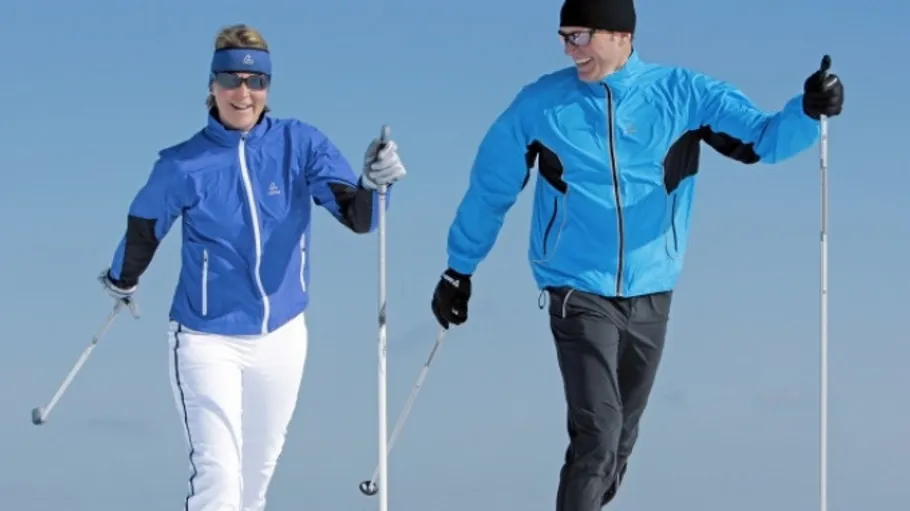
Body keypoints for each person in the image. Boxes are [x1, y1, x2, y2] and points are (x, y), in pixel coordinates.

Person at [428, 0, 844, 510]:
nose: (569, 48)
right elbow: (491, 186)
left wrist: (807, 110)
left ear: (620, 35)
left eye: (580, 35)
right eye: (564, 36)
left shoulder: (684, 94)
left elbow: (763, 139)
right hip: (577, 288)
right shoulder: (542, 105)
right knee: (598, 434)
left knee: (620, 441)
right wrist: (458, 268)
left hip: (652, 290)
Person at [97, 24, 407, 511]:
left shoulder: (299, 144)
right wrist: (121, 280)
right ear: (212, 85)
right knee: (218, 483)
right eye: (231, 80)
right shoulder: (183, 164)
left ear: (267, 87)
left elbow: (358, 217)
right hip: (206, 337)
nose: (244, 93)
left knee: (253, 486)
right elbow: (144, 227)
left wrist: (375, 183)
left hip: (281, 335)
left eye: (255, 81)